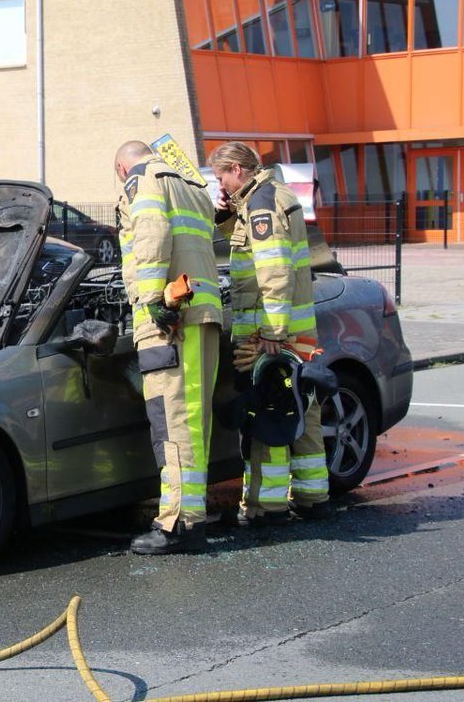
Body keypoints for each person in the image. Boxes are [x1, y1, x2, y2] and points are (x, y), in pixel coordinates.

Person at [208, 141, 333, 524]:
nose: (221, 187)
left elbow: (274, 270)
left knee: (270, 412)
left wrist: (272, 332)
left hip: (270, 334)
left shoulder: (261, 205)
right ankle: (314, 495)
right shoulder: (273, 193)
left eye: (221, 178)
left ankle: (269, 506)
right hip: (297, 328)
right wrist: (227, 215)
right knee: (303, 407)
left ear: (236, 169)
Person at [114, 140, 222, 555]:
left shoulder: (144, 181)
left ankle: (178, 523)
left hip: (172, 323)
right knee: (194, 423)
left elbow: (152, 235)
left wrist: (152, 300)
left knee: (172, 420)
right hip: (203, 318)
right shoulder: (192, 186)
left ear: (123, 169)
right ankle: (191, 515)